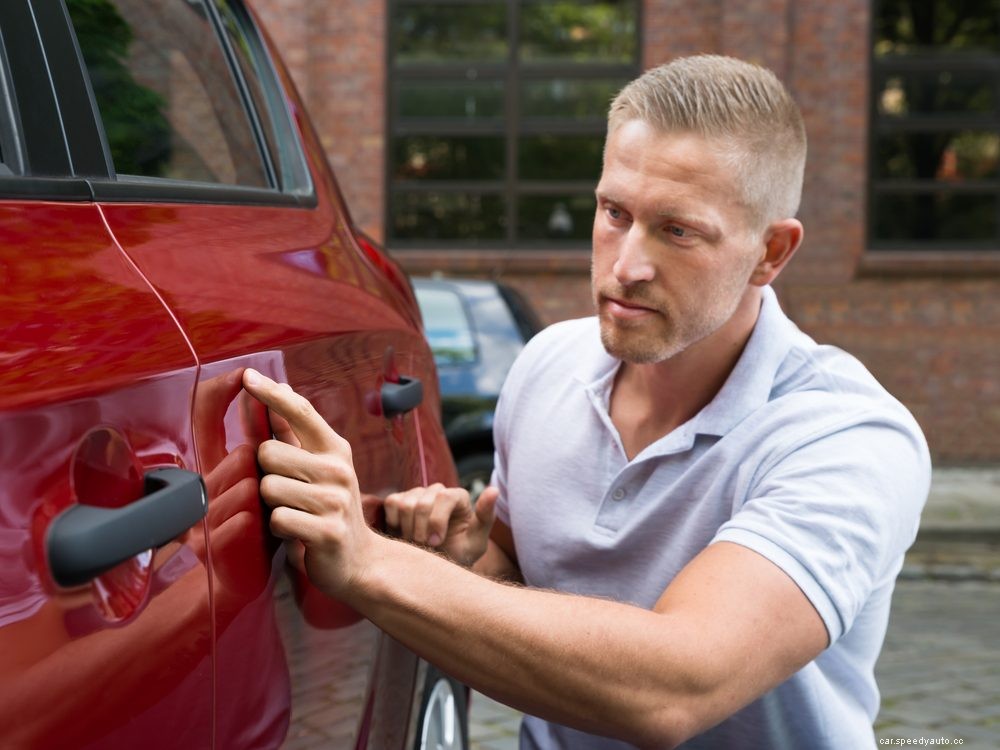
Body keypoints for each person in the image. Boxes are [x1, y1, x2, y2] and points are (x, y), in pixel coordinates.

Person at [242, 54, 930, 749]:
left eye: (678, 230)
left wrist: (371, 565)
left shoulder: (847, 438)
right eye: (614, 213)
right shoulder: (547, 366)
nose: (626, 266)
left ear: (771, 251)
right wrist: (463, 560)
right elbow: (523, 578)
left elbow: (675, 687)